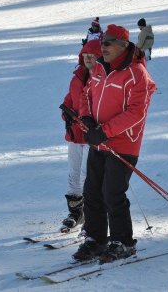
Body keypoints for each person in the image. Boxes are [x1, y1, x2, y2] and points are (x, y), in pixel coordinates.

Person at [73, 24, 156, 263]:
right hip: (98, 141)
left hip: (123, 143)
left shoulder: (137, 73)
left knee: (112, 193)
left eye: (108, 43)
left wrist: (105, 131)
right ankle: (96, 239)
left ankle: (123, 242)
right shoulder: (99, 68)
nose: (103, 47)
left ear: (122, 44)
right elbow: (86, 95)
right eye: (102, 42)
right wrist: (87, 117)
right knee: (92, 192)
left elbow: (136, 112)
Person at [60, 40, 103, 232]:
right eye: (85, 55)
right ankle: (76, 213)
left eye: (92, 56)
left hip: (91, 135)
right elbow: (69, 99)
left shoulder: (104, 79)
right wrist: (66, 113)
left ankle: (92, 217)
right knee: (74, 174)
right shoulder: (77, 76)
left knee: (89, 176)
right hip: (75, 134)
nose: (88, 59)